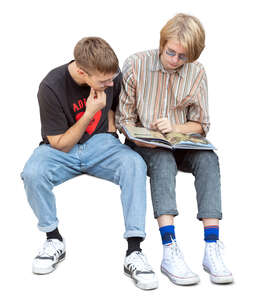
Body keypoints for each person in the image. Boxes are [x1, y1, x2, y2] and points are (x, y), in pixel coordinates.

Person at [21, 37, 158, 290]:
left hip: (101, 144)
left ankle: (134, 251)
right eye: (103, 81)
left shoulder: (111, 77)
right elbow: (59, 143)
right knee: (32, 172)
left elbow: (116, 111)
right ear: (82, 72)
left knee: (135, 165)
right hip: (61, 148)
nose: (110, 84)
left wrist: (120, 129)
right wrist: (90, 113)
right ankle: (53, 239)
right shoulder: (50, 87)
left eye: (112, 78)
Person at [116, 14, 233, 285]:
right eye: (171, 52)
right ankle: (170, 249)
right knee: (162, 160)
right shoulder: (136, 63)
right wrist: (148, 136)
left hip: (179, 140)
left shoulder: (197, 71)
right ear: (161, 43)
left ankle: (212, 247)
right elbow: (124, 120)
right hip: (146, 144)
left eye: (183, 57)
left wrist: (177, 127)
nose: (175, 60)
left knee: (209, 159)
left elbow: (201, 124)